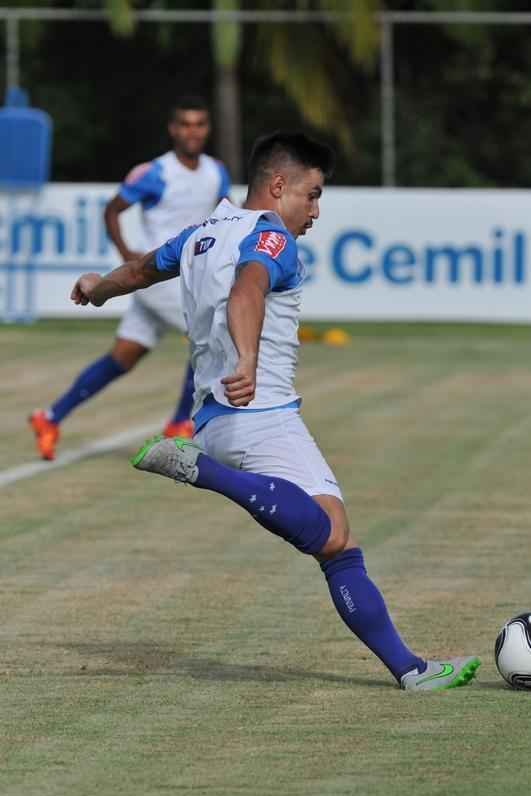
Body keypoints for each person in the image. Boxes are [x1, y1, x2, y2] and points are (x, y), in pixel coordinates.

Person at [70, 131, 480, 690]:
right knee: (334, 539)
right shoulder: (271, 239)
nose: (314, 211)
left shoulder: (200, 235)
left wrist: (97, 289)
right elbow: (248, 288)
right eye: (311, 194)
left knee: (335, 533)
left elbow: (140, 271)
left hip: (213, 418)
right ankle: (204, 472)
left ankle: (410, 669)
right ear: (278, 184)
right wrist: (248, 357)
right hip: (258, 410)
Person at [30, 96, 230, 460]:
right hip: (158, 278)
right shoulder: (155, 172)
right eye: (185, 124)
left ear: (207, 129)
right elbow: (112, 210)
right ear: (173, 129)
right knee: (210, 334)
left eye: (199, 124)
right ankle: (179, 425)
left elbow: (224, 215)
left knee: (122, 358)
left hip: (183, 279)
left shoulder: (217, 172)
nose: (192, 131)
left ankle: (49, 416)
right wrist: (127, 258)